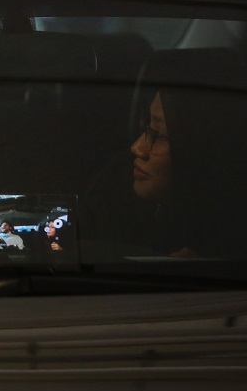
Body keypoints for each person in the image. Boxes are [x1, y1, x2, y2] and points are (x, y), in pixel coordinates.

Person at [83, 48, 247, 260]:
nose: (137, 148)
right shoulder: (118, 179)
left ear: (207, 147)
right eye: (147, 128)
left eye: (159, 135)